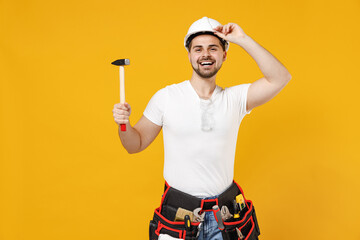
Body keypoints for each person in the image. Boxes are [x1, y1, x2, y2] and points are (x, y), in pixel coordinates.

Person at [112, 17, 291, 240]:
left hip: (224, 220)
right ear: (189, 55)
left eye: (213, 48)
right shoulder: (166, 98)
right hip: (178, 220)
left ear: (224, 54)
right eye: (198, 49)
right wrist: (124, 124)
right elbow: (134, 144)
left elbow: (280, 78)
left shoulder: (235, 99)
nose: (205, 54)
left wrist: (242, 39)